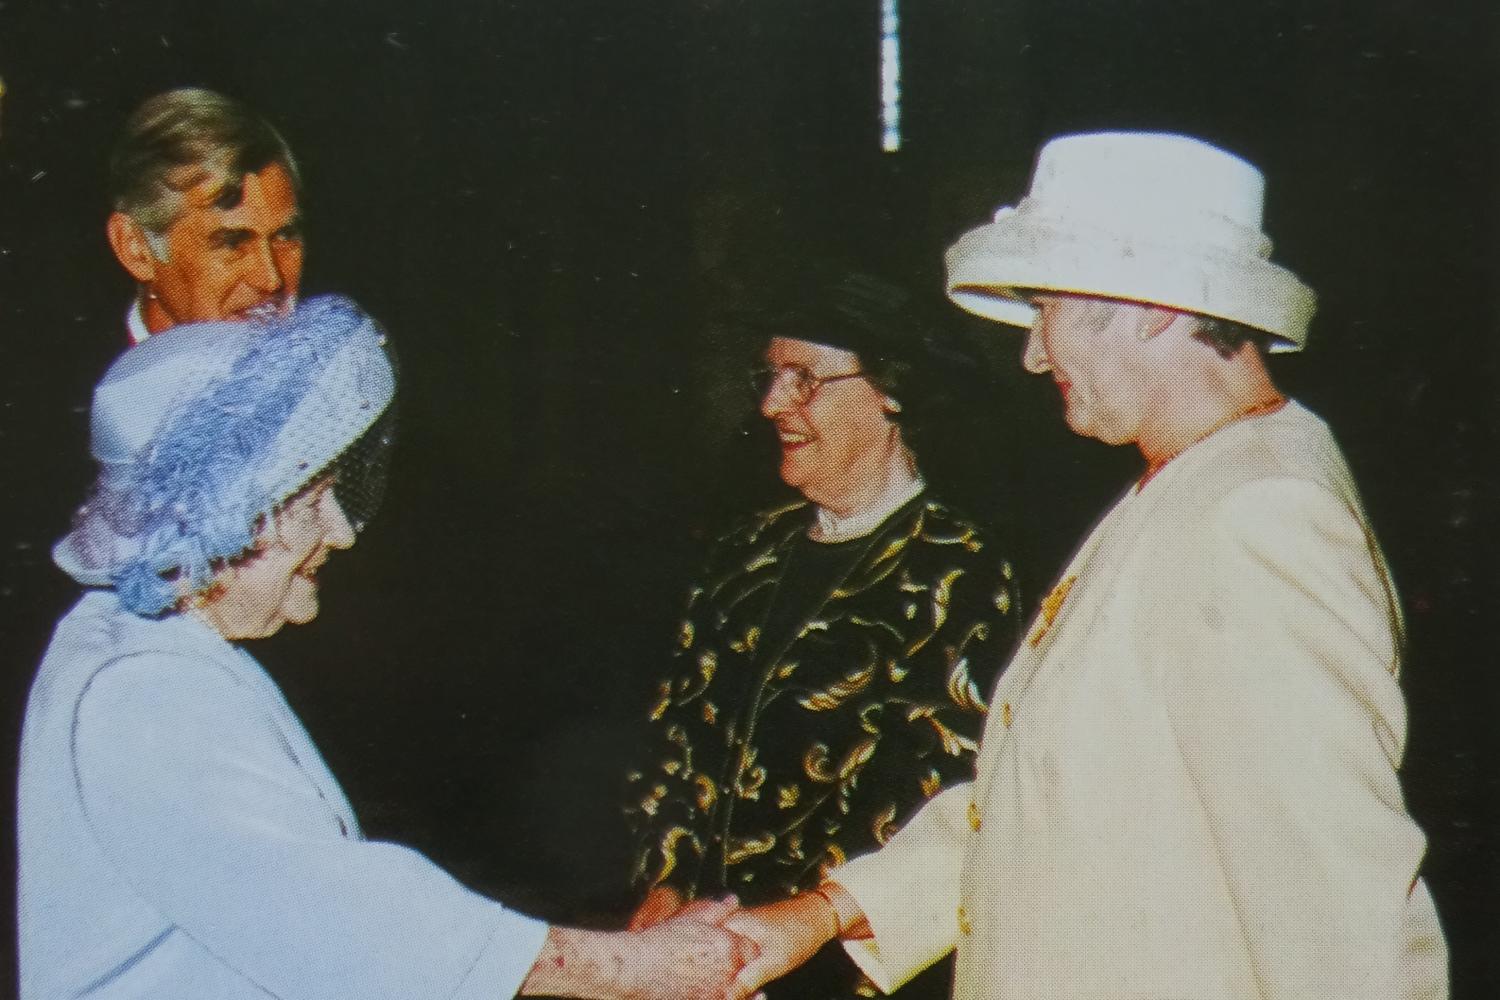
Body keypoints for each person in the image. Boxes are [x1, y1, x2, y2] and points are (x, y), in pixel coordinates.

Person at [721, 133, 1449, 999]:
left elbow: (1336, 917)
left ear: (1151, 307)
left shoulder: (1258, 518)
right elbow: (1048, 805)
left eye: (1046, 312)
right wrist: (823, 913)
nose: (1033, 354)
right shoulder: (1188, 485)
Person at [17, 295, 755, 1000]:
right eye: (310, 502)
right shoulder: (145, 690)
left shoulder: (147, 646)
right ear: (222, 527)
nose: (338, 532)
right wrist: (632, 970)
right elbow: (348, 924)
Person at [623, 269, 1023, 1000]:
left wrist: (777, 937)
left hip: (842, 969)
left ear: (892, 394)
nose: (774, 404)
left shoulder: (958, 572)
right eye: (770, 376)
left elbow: (924, 800)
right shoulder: (745, 553)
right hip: (698, 960)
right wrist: (666, 888)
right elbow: (674, 738)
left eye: (805, 379)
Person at [105, 88, 304, 343]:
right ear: (136, 250)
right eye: (233, 242)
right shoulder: (90, 381)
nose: (271, 279)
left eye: (284, 236)